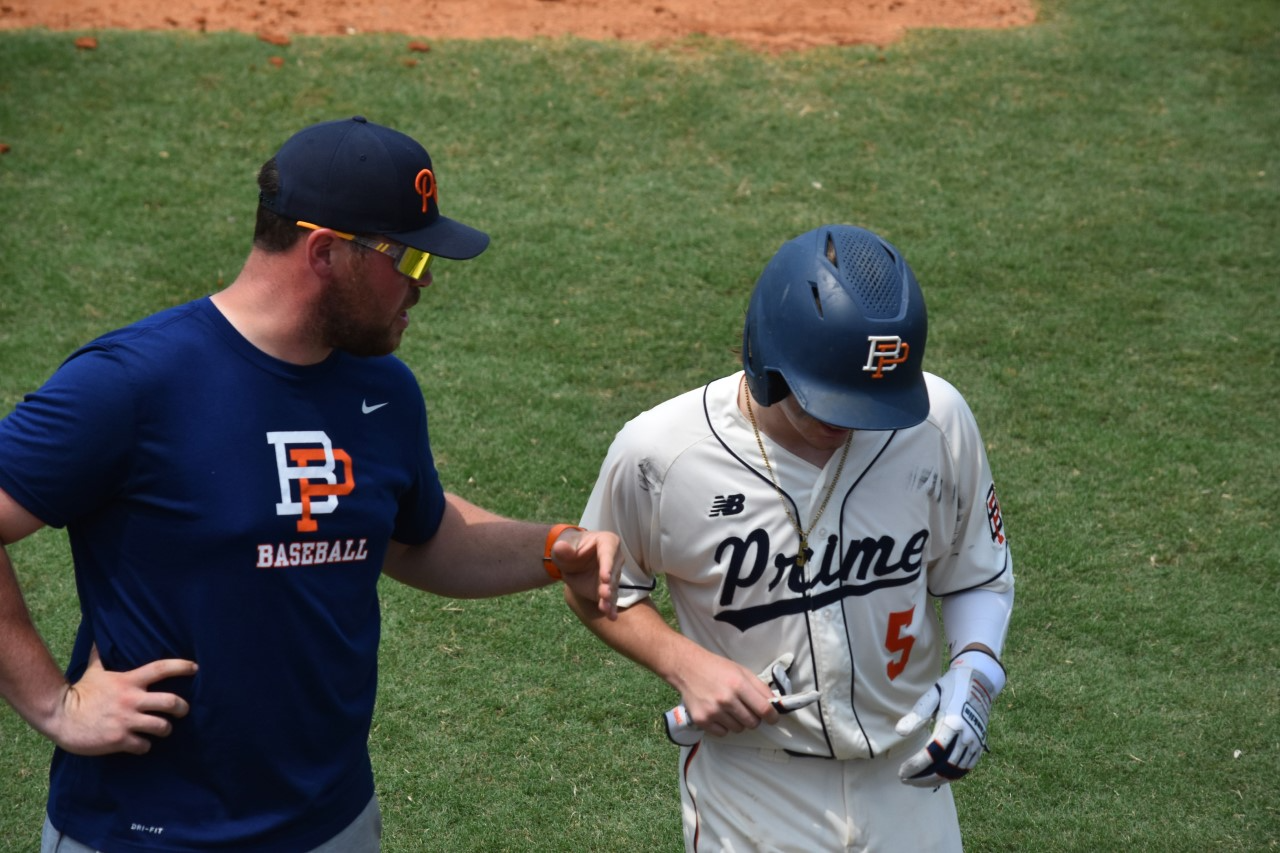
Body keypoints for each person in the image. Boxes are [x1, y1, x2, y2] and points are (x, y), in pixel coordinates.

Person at [0, 115, 620, 853]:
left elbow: (416, 533)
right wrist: (53, 704)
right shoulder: (134, 384)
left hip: (333, 824)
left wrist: (557, 548)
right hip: (149, 832)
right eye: (411, 261)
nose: (424, 287)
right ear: (327, 251)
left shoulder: (383, 389)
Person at [565, 224, 1014, 851]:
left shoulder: (935, 421)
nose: (850, 423)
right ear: (766, 360)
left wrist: (977, 668)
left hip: (910, 781)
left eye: (874, 401)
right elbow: (599, 586)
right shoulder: (660, 454)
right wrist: (683, 662)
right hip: (755, 786)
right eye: (828, 402)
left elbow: (977, 574)